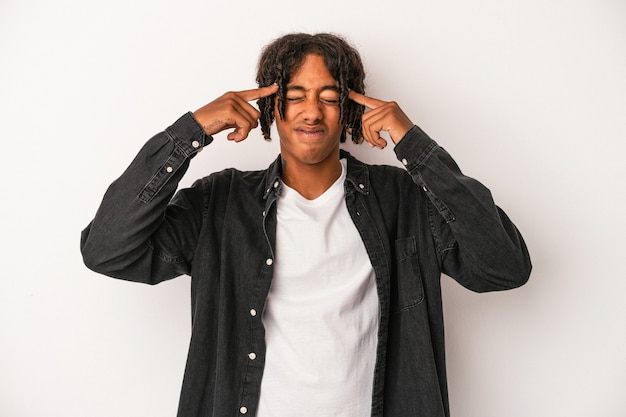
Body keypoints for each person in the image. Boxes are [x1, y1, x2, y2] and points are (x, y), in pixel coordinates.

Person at [81, 32, 531, 417]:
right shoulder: (219, 203)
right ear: (270, 106)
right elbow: (107, 250)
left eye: (330, 97)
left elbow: (504, 267)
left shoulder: (402, 199)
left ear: (351, 109)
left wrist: (414, 145)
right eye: (294, 96)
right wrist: (191, 131)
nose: (311, 112)